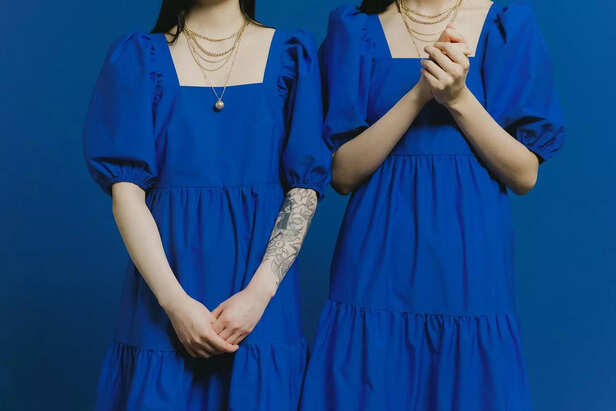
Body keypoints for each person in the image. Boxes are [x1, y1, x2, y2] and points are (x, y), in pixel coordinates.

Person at [301, 0, 565, 409]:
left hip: (467, 262)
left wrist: (458, 98)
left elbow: (523, 174)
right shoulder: (355, 27)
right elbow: (343, 174)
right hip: (375, 258)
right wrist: (420, 94)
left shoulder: (505, 23)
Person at [82, 0, 330, 409]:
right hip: (165, 293)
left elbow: (303, 190)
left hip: (262, 298)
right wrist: (175, 304)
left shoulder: (292, 54)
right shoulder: (138, 58)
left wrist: (258, 295)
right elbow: (126, 194)